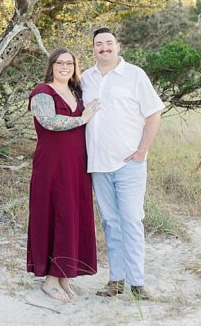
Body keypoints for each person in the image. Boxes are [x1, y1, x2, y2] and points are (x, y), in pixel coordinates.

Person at [81, 27, 164, 300]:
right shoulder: (86, 78)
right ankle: (115, 280)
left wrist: (141, 151)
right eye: (98, 44)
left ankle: (137, 283)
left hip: (129, 163)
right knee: (111, 223)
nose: (103, 48)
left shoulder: (134, 75)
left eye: (108, 43)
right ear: (93, 49)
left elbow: (153, 113)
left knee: (131, 220)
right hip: (98, 164)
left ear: (117, 46)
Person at [27, 47, 99, 301]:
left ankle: (64, 274)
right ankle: (49, 280)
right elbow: (49, 121)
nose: (64, 67)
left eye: (69, 63)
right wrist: (83, 118)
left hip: (76, 164)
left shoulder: (76, 92)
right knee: (54, 214)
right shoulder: (42, 92)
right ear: (52, 65)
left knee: (71, 215)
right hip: (52, 165)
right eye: (60, 62)